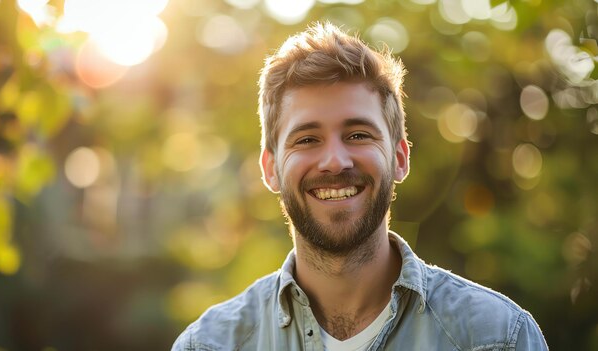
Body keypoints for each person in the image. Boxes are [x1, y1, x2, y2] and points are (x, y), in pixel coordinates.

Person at [171, 22, 548, 351]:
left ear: (400, 157)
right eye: (306, 139)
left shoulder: (498, 338)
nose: (335, 161)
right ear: (270, 169)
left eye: (357, 134)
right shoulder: (208, 345)